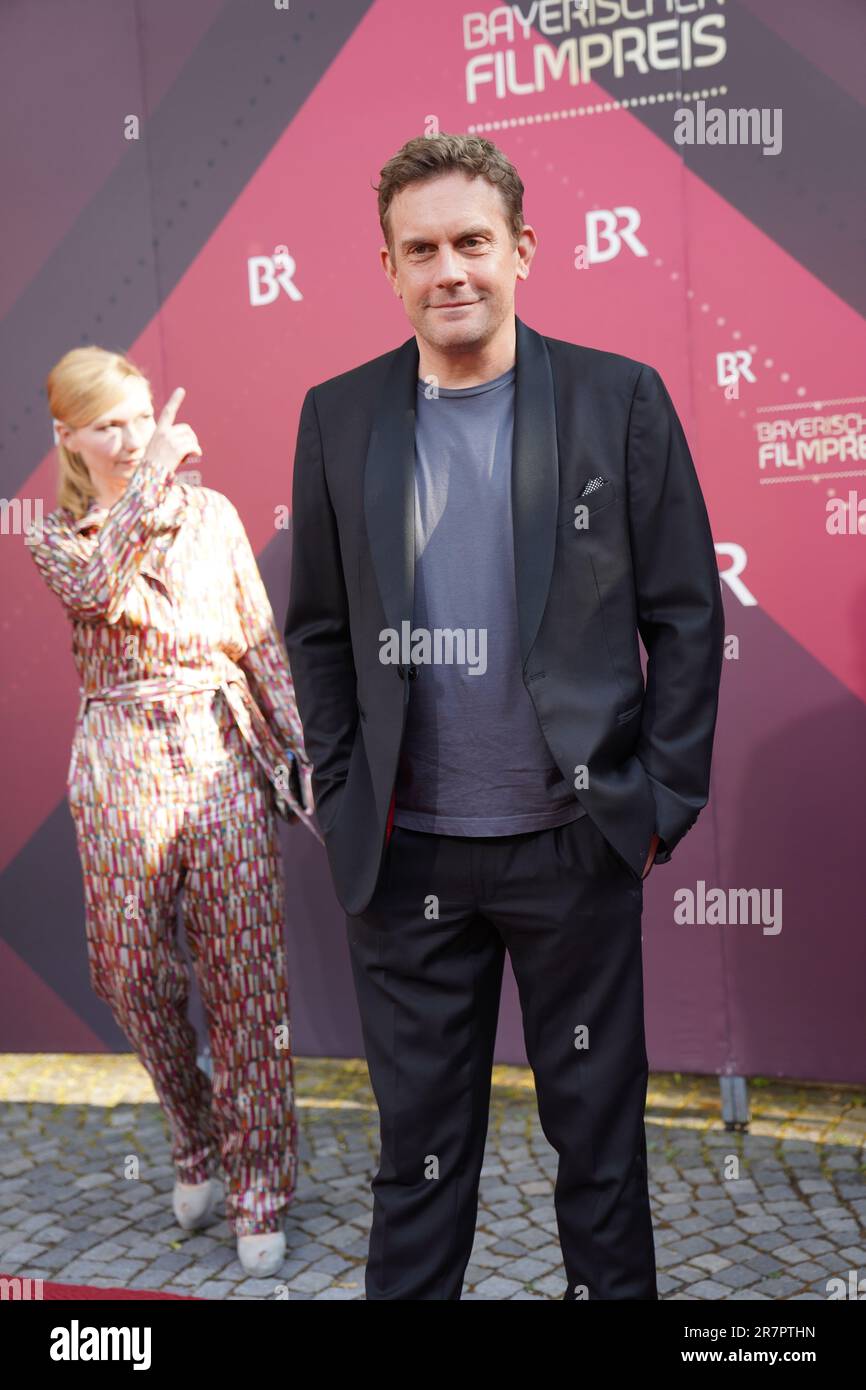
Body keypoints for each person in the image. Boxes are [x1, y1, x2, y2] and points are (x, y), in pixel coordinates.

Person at [285, 133, 724, 1299]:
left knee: (599, 1151)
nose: (450, 271)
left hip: (572, 848)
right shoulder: (336, 419)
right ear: (387, 267)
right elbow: (319, 632)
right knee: (417, 1166)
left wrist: (654, 806)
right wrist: (342, 801)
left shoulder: (617, 399)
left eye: (471, 241)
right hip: (405, 853)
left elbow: (685, 615)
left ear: (521, 247)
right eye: (419, 249)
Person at [25, 346, 321, 1278]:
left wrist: (301, 751)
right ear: (68, 437)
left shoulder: (214, 516)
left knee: (245, 984)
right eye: (106, 422)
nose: (129, 435)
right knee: (127, 972)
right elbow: (96, 589)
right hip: (119, 766)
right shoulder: (56, 534)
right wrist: (144, 481)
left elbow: (256, 638)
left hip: (219, 748)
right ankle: (195, 1131)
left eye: (140, 415)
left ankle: (260, 1185)